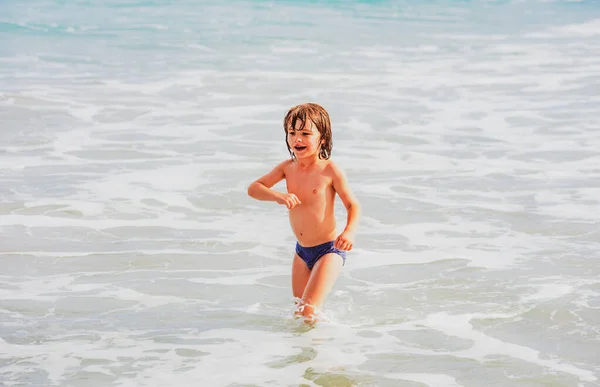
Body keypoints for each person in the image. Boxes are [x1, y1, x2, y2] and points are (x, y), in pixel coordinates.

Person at [247, 103, 361, 323]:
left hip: (329, 250)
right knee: (300, 316)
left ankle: (328, 349)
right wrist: (278, 196)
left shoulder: (330, 170)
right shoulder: (287, 168)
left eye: (305, 133)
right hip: (301, 253)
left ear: (323, 139)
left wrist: (349, 232)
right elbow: (254, 189)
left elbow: (353, 205)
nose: (297, 139)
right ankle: (309, 354)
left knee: (308, 311)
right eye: (292, 133)